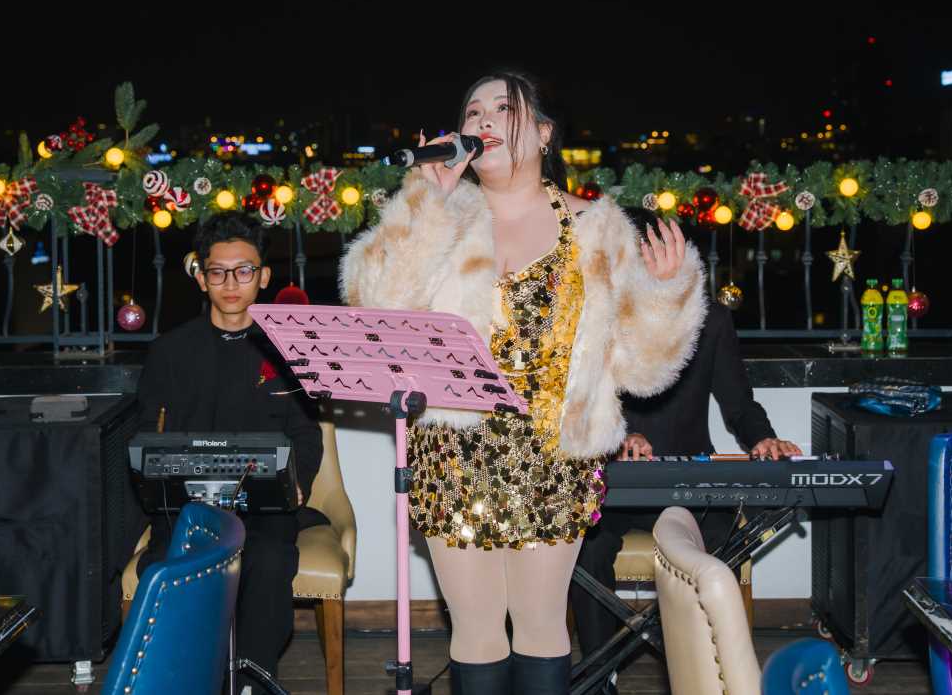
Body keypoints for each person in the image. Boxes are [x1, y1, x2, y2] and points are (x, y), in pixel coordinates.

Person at [340, 70, 709, 694]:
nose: (483, 119)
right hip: (453, 455)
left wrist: (667, 293)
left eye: (503, 109)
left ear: (542, 134)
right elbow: (377, 310)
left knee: (541, 626)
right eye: (473, 111)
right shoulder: (445, 217)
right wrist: (425, 204)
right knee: (475, 630)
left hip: (554, 456)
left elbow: (644, 369)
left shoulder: (597, 229)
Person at [571, 295, 802, 694]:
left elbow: (740, 405)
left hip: (691, 484)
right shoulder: (606, 312)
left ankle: (711, 673)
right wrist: (618, 436)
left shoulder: (711, 319)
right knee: (586, 541)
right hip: (617, 478)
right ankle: (600, 676)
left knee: (722, 539)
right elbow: (582, 400)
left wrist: (764, 439)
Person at [136, 212, 324, 687]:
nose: (231, 283)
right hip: (190, 511)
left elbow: (306, 435)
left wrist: (297, 483)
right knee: (171, 562)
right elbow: (147, 436)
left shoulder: (289, 352)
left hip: (266, 510)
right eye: (218, 272)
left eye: (244, 271)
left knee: (268, 560)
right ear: (201, 278)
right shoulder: (169, 352)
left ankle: (250, 682)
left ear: (263, 276)